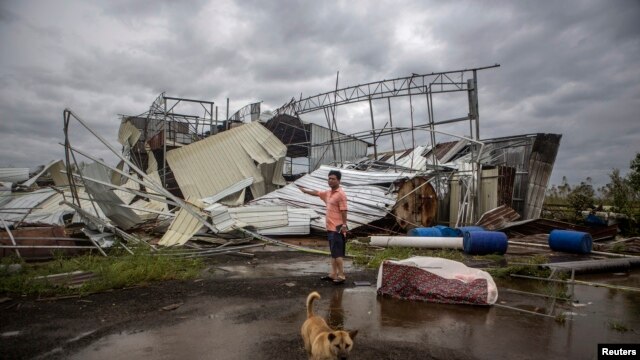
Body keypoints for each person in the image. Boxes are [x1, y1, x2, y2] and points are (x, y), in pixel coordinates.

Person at [297, 170, 349, 284]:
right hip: (330, 228)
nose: (330, 180)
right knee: (333, 253)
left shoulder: (341, 194)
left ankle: (341, 276)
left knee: (338, 254)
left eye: (333, 179)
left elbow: (344, 211)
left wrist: (344, 225)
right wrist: (305, 191)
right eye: (329, 178)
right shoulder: (329, 193)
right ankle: (333, 274)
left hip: (337, 228)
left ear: (339, 180)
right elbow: (317, 193)